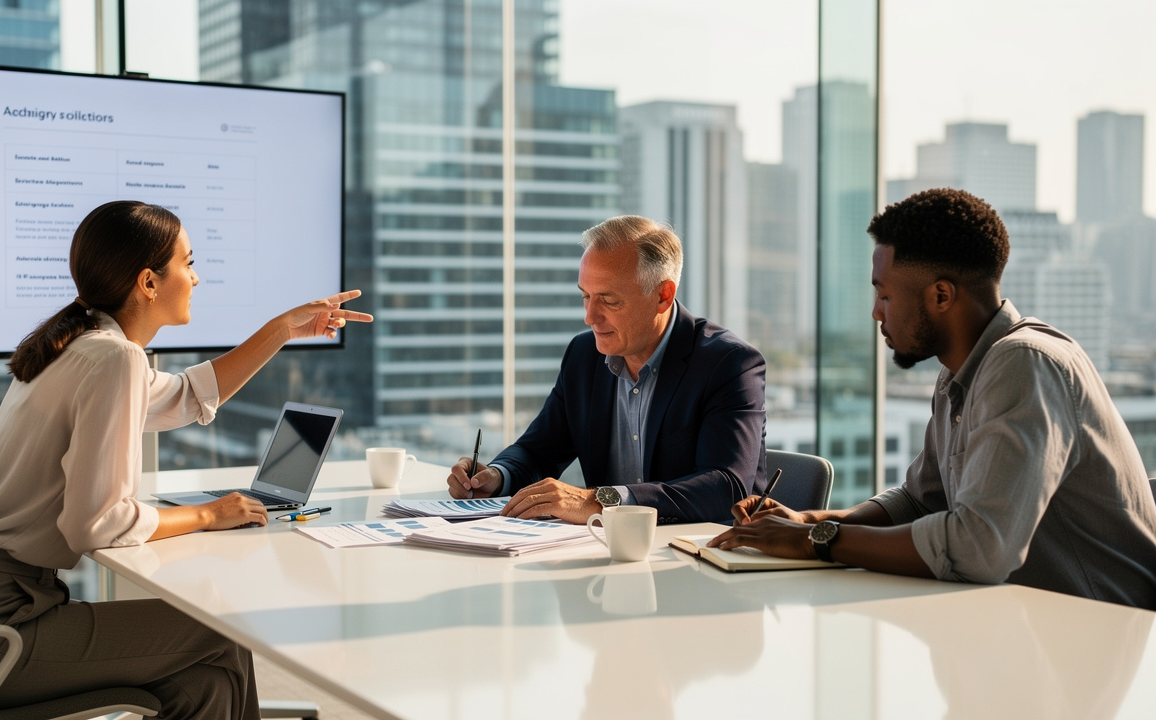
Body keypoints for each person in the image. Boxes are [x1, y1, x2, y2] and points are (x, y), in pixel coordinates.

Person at [0, 200, 372, 717]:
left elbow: (188, 397)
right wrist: (207, 514)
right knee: (221, 629)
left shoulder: (81, 347)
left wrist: (282, 329)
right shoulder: (113, 356)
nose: (196, 278)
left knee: (203, 682)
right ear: (149, 282)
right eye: (188, 263)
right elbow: (97, 524)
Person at [710, 188, 1156, 609]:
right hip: (1017, 626)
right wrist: (809, 522)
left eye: (885, 294)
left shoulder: (1025, 364)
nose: (876, 312)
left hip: (1101, 632)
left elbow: (980, 547)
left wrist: (816, 541)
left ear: (941, 295)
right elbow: (921, 501)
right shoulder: (957, 375)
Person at [447, 215, 768, 524]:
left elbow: (726, 486)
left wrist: (602, 501)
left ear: (663, 295)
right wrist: (497, 476)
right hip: (604, 547)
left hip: (699, 549)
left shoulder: (729, 363)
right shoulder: (583, 355)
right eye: (585, 296)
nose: (590, 316)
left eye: (609, 300)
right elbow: (538, 451)